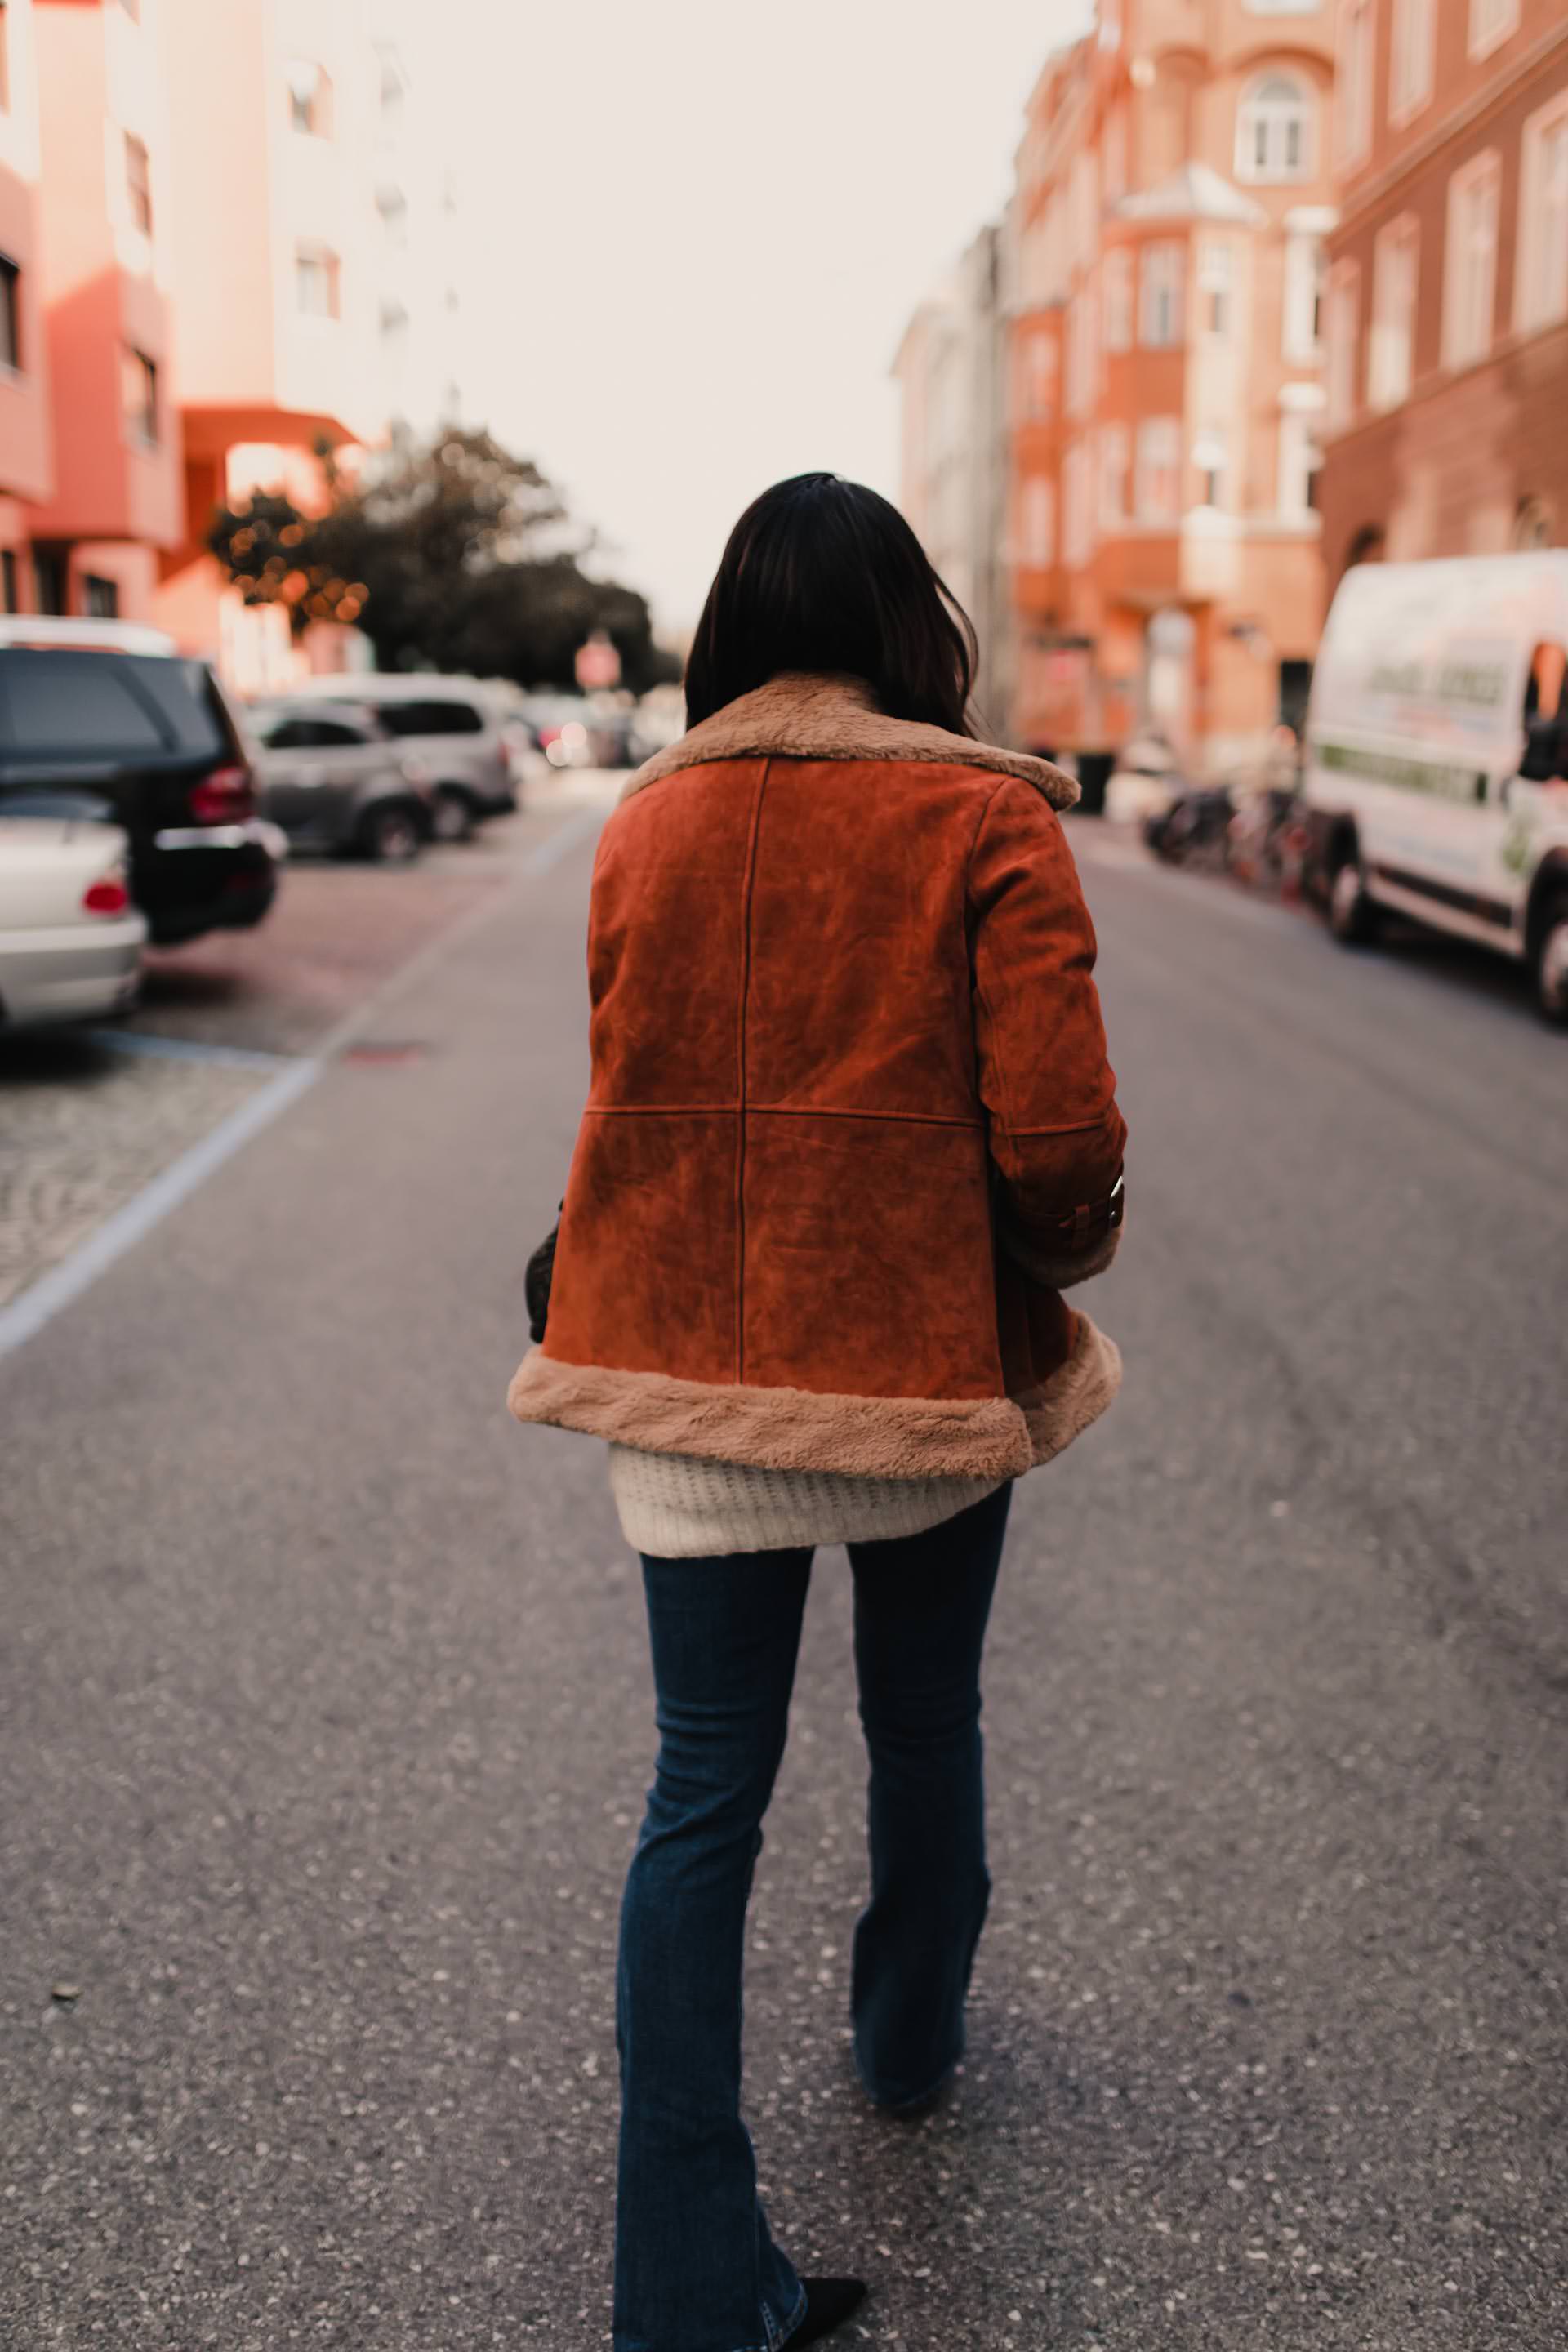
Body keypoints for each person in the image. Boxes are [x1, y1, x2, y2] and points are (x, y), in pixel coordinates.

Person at [510, 473, 1127, 2350]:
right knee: (923, 1719)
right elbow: (1061, 1141)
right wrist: (1045, 1252)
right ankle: (909, 2040)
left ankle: (691, 2292)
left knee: (702, 1795)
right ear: (902, 631)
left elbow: (633, 1087)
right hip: (913, 1367)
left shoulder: (643, 825)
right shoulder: (981, 812)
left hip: (689, 1367)